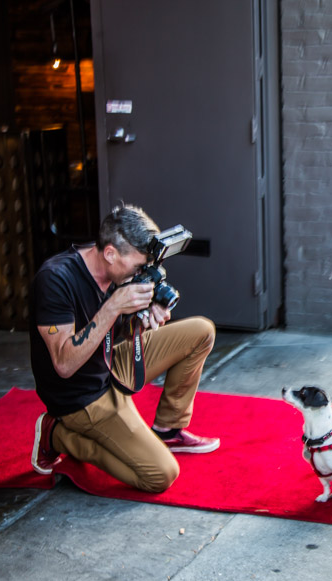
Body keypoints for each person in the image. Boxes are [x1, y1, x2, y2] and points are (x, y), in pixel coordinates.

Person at [29, 204, 219, 493]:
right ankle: (57, 435)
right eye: (138, 267)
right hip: (80, 394)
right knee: (161, 475)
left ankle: (168, 429)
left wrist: (142, 318)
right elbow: (64, 365)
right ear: (110, 254)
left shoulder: (119, 270)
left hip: (109, 363)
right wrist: (114, 305)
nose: (140, 274)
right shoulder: (56, 279)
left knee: (201, 331)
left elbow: (115, 335)